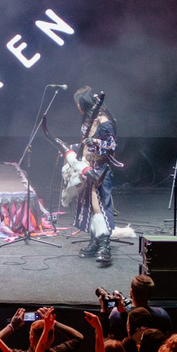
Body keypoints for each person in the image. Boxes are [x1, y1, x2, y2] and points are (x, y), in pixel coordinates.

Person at [66, 88, 121, 270]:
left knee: (99, 206)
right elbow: (84, 142)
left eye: (78, 103)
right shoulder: (88, 121)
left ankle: (105, 246)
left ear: (85, 103)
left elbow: (111, 145)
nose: (77, 107)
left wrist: (96, 143)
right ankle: (95, 241)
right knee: (89, 206)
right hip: (86, 167)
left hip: (100, 169)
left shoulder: (103, 121)